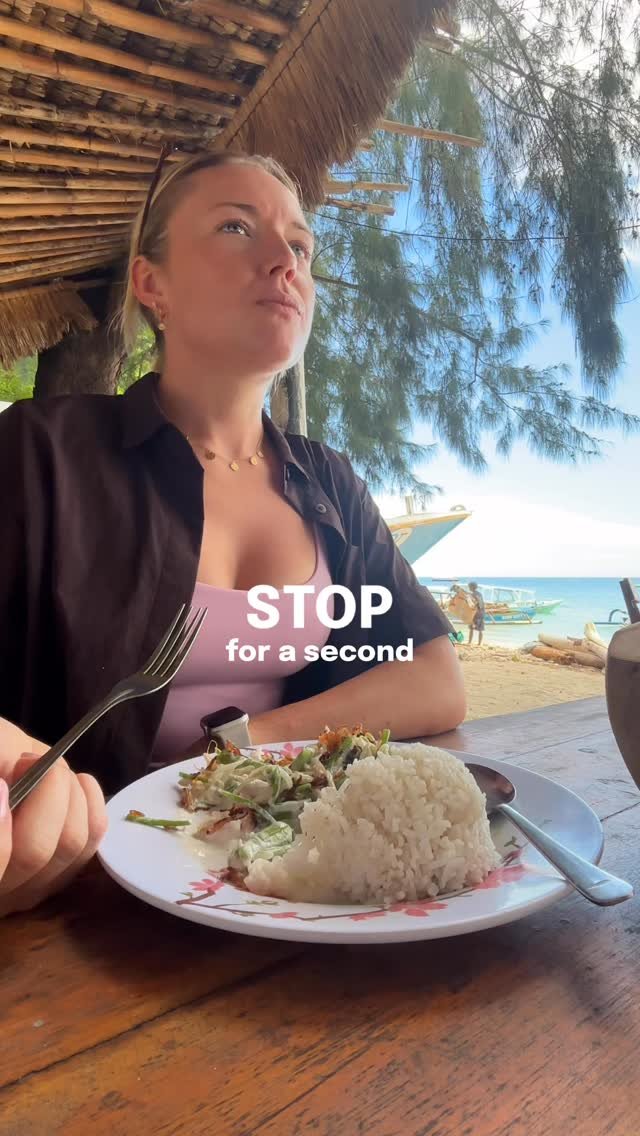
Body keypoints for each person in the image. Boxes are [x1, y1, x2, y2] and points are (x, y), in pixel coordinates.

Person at [0, 150, 465, 910]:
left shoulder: (328, 481)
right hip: (71, 890)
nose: (286, 261)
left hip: (278, 879)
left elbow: (435, 679)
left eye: (301, 245)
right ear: (153, 284)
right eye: (236, 228)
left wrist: (240, 743)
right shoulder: (38, 452)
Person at [468, 582, 486, 646]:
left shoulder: (472, 595)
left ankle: (469, 642)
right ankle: (479, 643)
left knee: (471, 628)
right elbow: (481, 604)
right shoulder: (479, 594)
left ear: (472, 587)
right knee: (480, 629)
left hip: (476, 613)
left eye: (469, 587)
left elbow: (472, 605)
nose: (469, 588)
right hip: (481, 612)